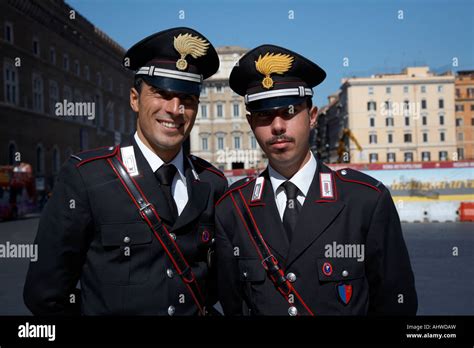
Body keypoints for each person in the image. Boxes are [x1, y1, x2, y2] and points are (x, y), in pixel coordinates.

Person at [24, 27, 228, 315]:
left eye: (187, 99)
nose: (175, 109)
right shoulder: (87, 177)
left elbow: (219, 285)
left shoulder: (211, 183)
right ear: (135, 99)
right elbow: (44, 295)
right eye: (161, 93)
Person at [215, 44, 417, 316]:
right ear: (251, 124)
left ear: (311, 116)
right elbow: (232, 305)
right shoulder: (232, 209)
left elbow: (396, 303)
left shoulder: (366, 200)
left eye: (288, 111)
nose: (277, 126)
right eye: (264, 115)